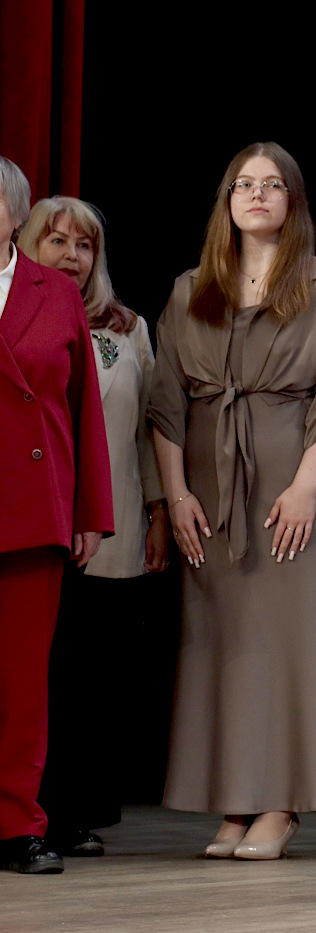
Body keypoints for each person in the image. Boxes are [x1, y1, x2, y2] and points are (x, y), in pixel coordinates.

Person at [149, 142, 316, 860]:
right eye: (244, 184)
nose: (257, 194)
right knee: (222, 649)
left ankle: (282, 804)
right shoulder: (190, 288)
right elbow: (165, 404)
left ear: (292, 201)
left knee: (290, 648)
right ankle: (235, 802)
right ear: (227, 201)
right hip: (207, 494)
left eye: (272, 184)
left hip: (291, 489)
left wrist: (305, 486)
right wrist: (176, 494)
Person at [17, 197, 169, 859]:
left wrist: (159, 511)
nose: (71, 256)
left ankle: (75, 810)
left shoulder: (127, 328)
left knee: (95, 677)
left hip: (116, 523)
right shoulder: (15, 316)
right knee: (41, 674)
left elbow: (149, 427)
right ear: (28, 244)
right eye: (57, 241)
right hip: (40, 520)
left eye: (84, 246)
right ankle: (29, 812)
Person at [0, 157, 113, 874]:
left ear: (15, 215)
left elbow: (85, 413)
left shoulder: (57, 293)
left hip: (32, 510)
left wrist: (89, 512)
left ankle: (17, 825)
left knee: (21, 684)